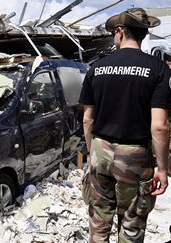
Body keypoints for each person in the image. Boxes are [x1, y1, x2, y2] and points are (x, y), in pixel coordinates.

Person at [79, 8, 171, 243]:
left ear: (120, 32)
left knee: (98, 222)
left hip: (100, 148)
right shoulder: (157, 68)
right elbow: (160, 126)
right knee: (131, 224)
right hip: (136, 156)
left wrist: (92, 154)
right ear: (143, 34)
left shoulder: (96, 67)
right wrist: (162, 168)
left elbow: (88, 119)